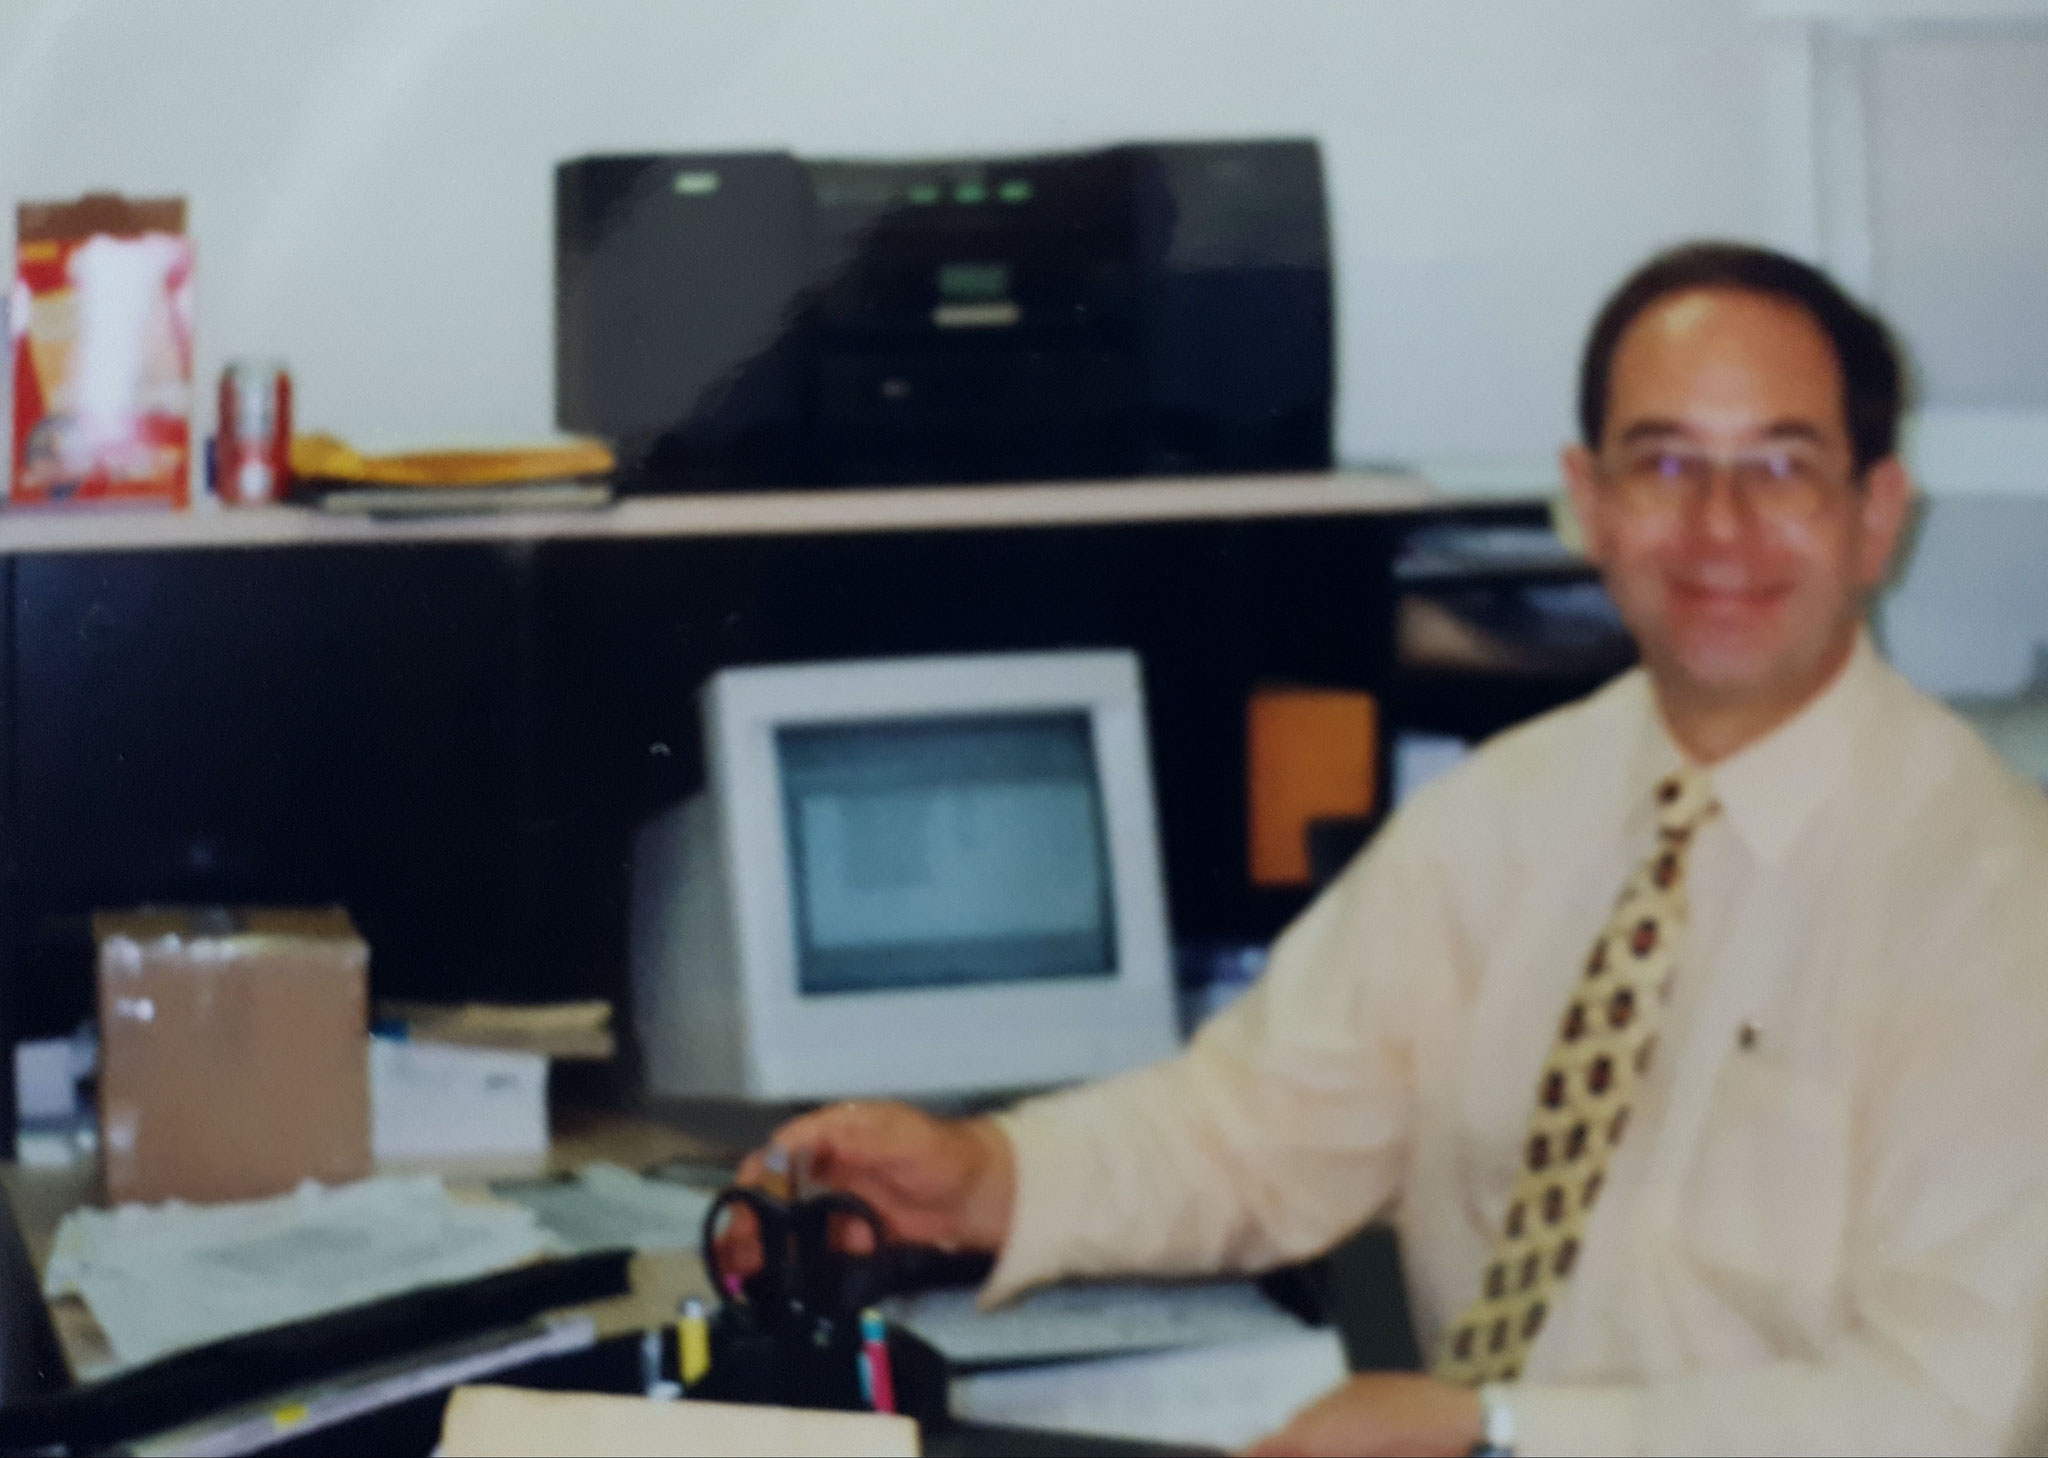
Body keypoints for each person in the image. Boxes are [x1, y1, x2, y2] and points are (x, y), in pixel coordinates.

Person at [725, 243, 2048, 1456]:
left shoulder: (1994, 897)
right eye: (1660, 461)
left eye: (1780, 465)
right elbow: (1259, 1122)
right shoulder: (1513, 811)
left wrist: (1498, 1429)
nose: (1715, 525)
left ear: (1878, 512)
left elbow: (1946, 1406)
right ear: (1584, 501)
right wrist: (985, 1176)